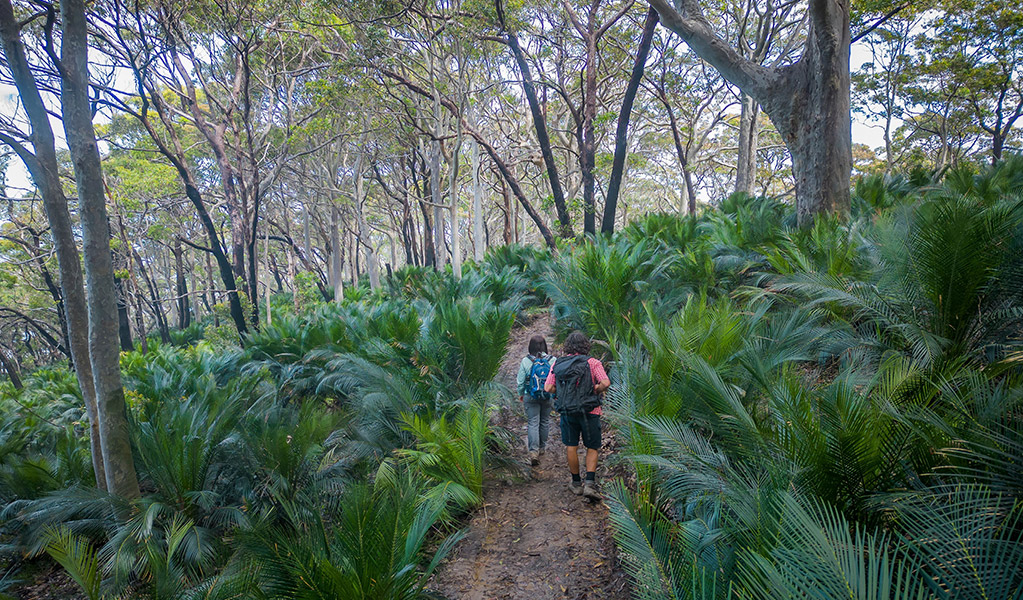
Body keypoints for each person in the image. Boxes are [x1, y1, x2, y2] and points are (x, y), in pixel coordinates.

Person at [544, 331, 610, 500]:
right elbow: (605, 382)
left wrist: (567, 392)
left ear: (567, 346)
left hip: (568, 411)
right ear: (586, 345)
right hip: (590, 411)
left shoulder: (558, 363)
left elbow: (548, 388)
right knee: (592, 447)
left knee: (571, 446)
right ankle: (589, 483)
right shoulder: (593, 363)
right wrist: (593, 390)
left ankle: (575, 484)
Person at [517, 335, 553, 466]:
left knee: (533, 422)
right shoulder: (552, 360)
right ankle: (542, 448)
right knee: (544, 421)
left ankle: (533, 452)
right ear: (545, 346)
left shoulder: (526, 361)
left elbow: (520, 381)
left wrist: (521, 393)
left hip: (530, 395)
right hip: (547, 394)